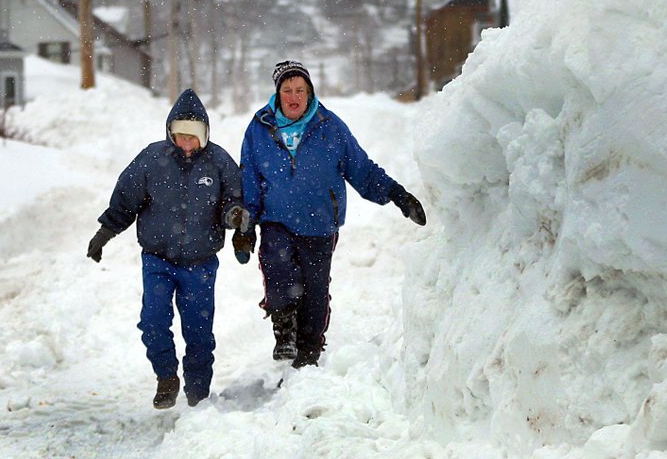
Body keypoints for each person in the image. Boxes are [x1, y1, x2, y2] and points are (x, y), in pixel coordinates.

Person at [238, 60, 426, 369]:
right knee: (277, 261)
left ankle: (309, 350)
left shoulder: (330, 126)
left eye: (300, 89)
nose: (294, 95)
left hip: (319, 223)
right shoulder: (259, 128)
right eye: (287, 90)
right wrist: (246, 224)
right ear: (278, 93)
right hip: (277, 220)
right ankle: (284, 329)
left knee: (315, 290)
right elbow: (250, 178)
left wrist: (396, 194)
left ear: (310, 92)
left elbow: (361, 169)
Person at [86, 88, 251, 409]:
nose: (187, 144)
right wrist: (105, 232)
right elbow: (125, 200)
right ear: (170, 132)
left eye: (194, 137)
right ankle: (166, 377)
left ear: (205, 135)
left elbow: (234, 201)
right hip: (157, 260)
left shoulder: (219, 162)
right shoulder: (151, 160)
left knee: (199, 332)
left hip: (200, 263)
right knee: (153, 321)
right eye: (180, 136)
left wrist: (235, 216)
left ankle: (198, 395)